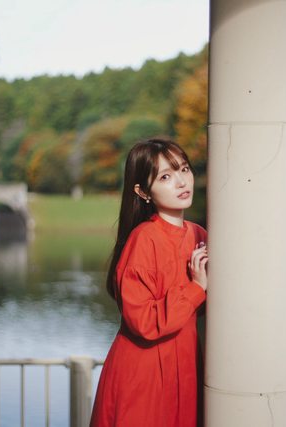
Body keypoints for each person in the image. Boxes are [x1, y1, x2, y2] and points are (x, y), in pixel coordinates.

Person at [90, 138, 208, 427]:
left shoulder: (199, 235)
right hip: (145, 372)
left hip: (186, 364)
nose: (181, 182)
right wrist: (196, 288)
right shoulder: (144, 239)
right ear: (143, 191)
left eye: (184, 169)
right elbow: (143, 321)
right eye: (165, 177)